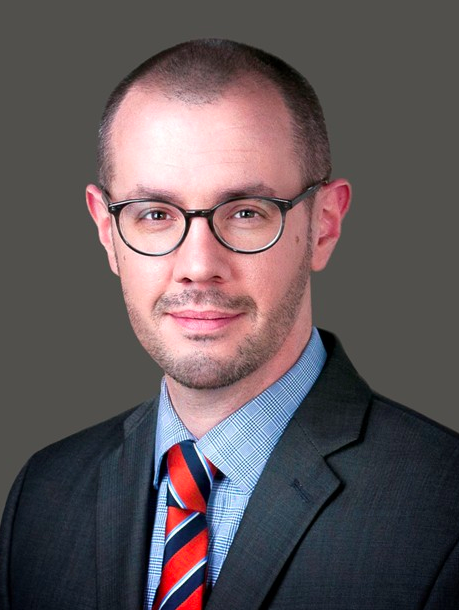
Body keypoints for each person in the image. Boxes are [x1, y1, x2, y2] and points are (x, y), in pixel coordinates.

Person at [1, 39, 458, 610]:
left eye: (245, 213)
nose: (198, 266)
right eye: (154, 214)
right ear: (107, 232)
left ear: (323, 224)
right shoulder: (43, 494)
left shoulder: (444, 510)